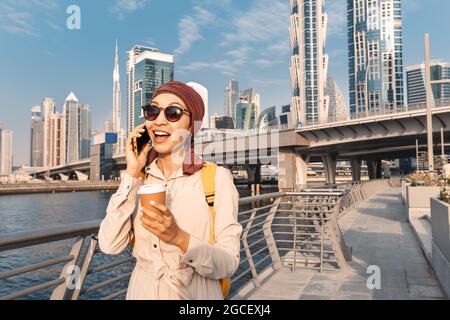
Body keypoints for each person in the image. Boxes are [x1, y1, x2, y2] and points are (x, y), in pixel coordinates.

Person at [98, 81, 242, 300]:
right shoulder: (140, 178)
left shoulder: (216, 178)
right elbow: (109, 245)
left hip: (196, 293)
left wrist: (179, 238)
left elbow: (229, 263)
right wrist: (132, 172)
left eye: (173, 113)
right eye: (152, 111)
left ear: (192, 125)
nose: (160, 121)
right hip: (142, 291)